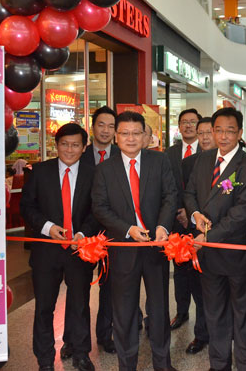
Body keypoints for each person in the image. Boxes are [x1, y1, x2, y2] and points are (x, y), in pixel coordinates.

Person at [91, 111, 178, 371]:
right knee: (125, 312)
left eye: (136, 133)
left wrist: (162, 226)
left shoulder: (159, 161)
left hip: (155, 247)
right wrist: (128, 229)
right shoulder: (104, 170)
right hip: (123, 249)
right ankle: (126, 365)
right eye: (125, 133)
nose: (130, 138)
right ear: (116, 137)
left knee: (159, 309)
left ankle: (163, 363)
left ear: (145, 136)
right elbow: (100, 207)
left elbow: (170, 196)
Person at [184, 107, 246, 371]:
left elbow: (242, 213)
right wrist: (195, 214)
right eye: (219, 130)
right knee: (214, 312)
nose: (224, 136)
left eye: (230, 131)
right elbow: (191, 192)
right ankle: (218, 364)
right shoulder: (203, 160)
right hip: (207, 255)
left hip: (235, 252)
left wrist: (206, 236)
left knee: (243, 313)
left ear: (240, 133)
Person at [20, 123, 100, 371]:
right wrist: (47, 226)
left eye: (75, 144)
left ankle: (81, 353)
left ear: (84, 147)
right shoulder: (39, 172)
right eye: (64, 144)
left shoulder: (94, 173)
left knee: (79, 305)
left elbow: (98, 209)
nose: (69, 149)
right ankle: (45, 360)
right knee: (44, 307)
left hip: (79, 249)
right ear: (56, 145)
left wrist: (83, 232)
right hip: (46, 250)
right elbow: (27, 207)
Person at [80, 105, 120, 354]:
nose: (105, 130)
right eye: (101, 125)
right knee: (78, 290)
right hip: (83, 233)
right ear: (92, 127)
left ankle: (105, 336)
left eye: (111, 126)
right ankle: (76, 341)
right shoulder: (78, 154)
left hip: (112, 232)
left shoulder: (122, 154)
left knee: (109, 288)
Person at [177, 116, 216, 355]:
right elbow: (185, 193)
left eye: (208, 132)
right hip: (195, 234)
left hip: (223, 235)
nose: (204, 137)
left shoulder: (233, 163)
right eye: (200, 133)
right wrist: (188, 212)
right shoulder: (189, 162)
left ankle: (223, 334)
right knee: (198, 287)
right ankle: (201, 334)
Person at [165, 109, 202, 331]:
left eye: (192, 122)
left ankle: (203, 318)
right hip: (176, 220)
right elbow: (167, 185)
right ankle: (181, 312)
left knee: (199, 270)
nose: (188, 126)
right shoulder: (168, 153)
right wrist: (179, 210)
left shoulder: (209, 152)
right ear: (178, 126)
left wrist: (191, 211)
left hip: (199, 221)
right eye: (184, 122)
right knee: (179, 269)